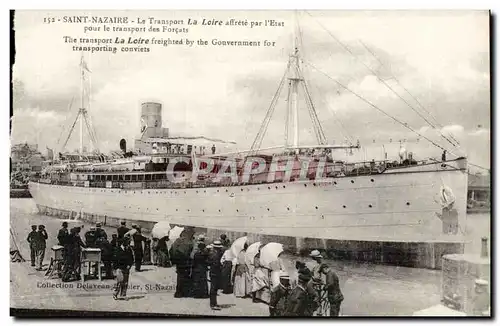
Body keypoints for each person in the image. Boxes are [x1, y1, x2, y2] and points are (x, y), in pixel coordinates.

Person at [170, 229, 194, 298]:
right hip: (186, 262)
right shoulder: (189, 242)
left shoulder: (177, 241)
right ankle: (185, 292)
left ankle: (178, 292)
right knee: (186, 276)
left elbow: (171, 251)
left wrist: (173, 260)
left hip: (179, 262)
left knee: (179, 277)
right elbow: (191, 253)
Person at [208, 240, 224, 310]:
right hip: (215, 272)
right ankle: (213, 304)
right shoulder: (216, 254)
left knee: (214, 288)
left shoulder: (212, 253)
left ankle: (213, 303)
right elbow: (216, 264)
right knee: (214, 288)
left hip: (213, 272)